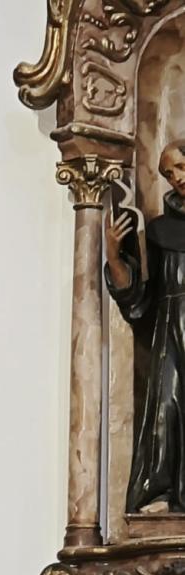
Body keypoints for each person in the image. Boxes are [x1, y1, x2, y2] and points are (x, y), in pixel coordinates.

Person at [105, 138, 185, 514]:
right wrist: (113, 254)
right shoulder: (158, 231)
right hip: (171, 328)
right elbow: (137, 297)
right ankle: (160, 492)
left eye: (180, 167)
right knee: (166, 407)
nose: (176, 178)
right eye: (168, 173)